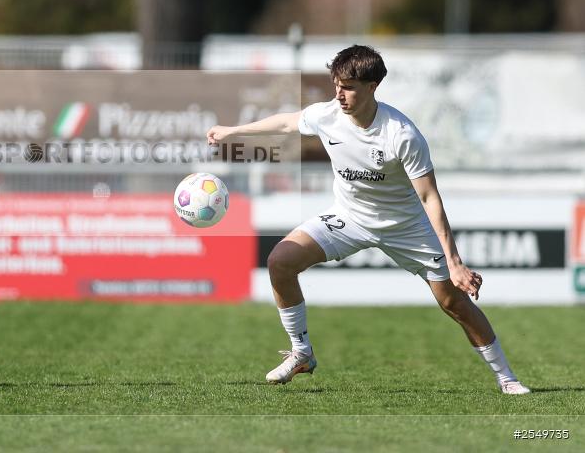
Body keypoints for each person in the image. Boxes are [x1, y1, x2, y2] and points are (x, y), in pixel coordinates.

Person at [206, 45, 530, 395]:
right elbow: (286, 122)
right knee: (280, 262)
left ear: (372, 86)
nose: (339, 94)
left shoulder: (401, 134)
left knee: (454, 303)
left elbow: (429, 197)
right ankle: (301, 352)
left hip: (405, 227)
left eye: (348, 87)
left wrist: (455, 263)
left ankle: (507, 377)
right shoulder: (327, 115)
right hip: (349, 219)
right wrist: (232, 131)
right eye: (336, 84)